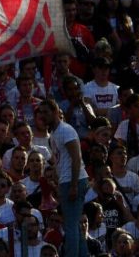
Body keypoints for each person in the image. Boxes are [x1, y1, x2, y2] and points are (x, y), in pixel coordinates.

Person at [39, 100, 87, 257]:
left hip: (73, 180)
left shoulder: (66, 130)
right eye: (41, 112)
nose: (43, 116)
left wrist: (73, 185)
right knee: (74, 224)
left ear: (55, 112)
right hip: (66, 181)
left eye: (46, 112)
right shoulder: (54, 133)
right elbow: (60, 160)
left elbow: (76, 158)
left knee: (70, 225)